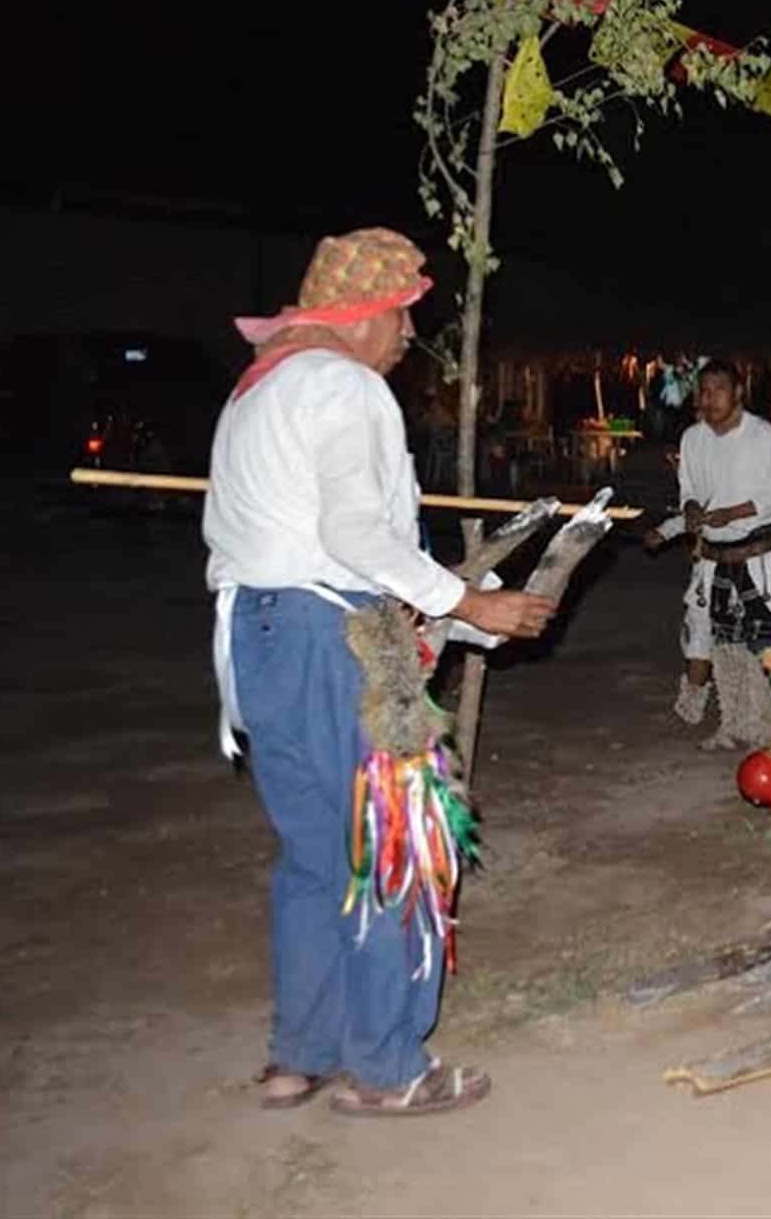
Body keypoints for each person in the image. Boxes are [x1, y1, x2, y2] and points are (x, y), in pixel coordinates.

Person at [204, 228, 555, 1116]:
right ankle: (388, 1066)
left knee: (317, 856)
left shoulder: (257, 392)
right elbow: (356, 537)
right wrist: (470, 605)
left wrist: (427, 602)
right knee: (395, 843)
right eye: (402, 313)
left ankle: (301, 1056)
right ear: (361, 315)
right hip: (335, 638)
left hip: (261, 635)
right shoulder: (347, 386)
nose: (409, 333)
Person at [643, 360, 771, 750]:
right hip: (713, 556)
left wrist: (732, 513)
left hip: (757, 557)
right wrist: (691, 508)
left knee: (762, 645)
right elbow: (688, 488)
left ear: (738, 391)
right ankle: (735, 724)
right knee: (724, 646)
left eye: (717, 390)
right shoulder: (693, 438)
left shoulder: (762, 436)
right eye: (703, 392)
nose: (708, 399)